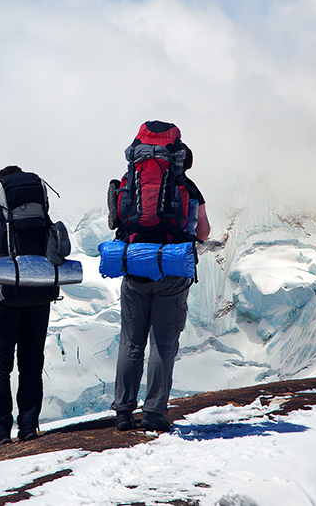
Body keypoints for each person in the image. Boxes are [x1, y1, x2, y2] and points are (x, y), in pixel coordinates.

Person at [109, 122, 210, 433]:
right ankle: (154, 413)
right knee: (163, 346)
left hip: (136, 267)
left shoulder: (129, 183)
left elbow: (116, 221)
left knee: (130, 343)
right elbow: (203, 233)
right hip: (172, 270)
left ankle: (124, 413)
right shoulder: (189, 189)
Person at [0, 165, 65, 446]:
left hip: (3, 301)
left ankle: (0, 434)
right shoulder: (41, 218)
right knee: (31, 364)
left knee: (0, 368)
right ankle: (28, 427)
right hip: (38, 299)